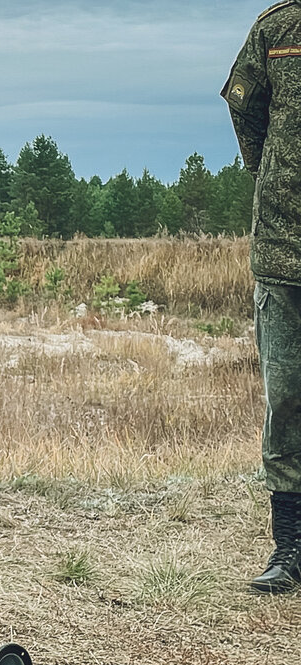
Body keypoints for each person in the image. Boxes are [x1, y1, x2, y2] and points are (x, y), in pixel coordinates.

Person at [223, 1, 301, 594]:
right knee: (289, 399)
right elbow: (241, 99)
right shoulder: (278, 28)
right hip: (283, 249)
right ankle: (291, 549)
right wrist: (267, 166)